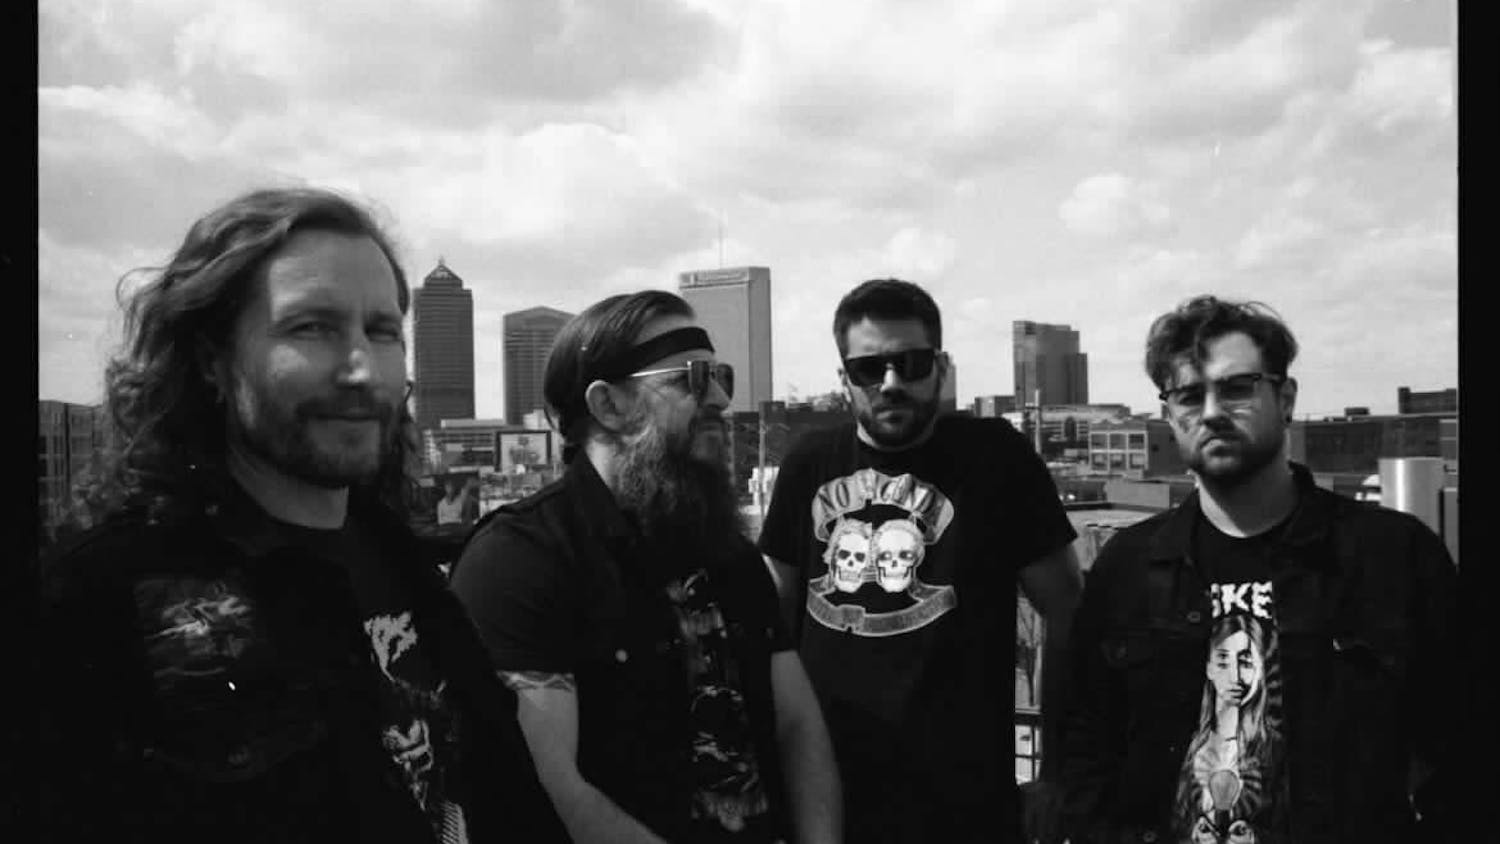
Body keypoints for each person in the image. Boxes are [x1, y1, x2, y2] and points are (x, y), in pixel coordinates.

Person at [37, 187, 537, 842]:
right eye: (312, 328)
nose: (362, 369)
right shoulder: (96, 599)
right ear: (211, 360)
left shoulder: (398, 556)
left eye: (382, 331)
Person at [1060, 295, 1457, 843]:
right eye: (1190, 395)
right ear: (1169, 415)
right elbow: (1082, 743)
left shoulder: (1392, 557)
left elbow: (1465, 745)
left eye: (1237, 387)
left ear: (1286, 398)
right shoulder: (1126, 567)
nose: (1213, 411)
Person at [450, 290, 842, 844]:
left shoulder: (726, 554)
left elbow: (796, 724)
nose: (722, 400)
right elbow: (547, 786)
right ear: (609, 405)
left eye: (721, 376)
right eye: (692, 379)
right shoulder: (519, 560)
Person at [757, 278, 1083, 843]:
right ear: (844, 379)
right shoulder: (808, 464)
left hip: (965, 809)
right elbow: (771, 623)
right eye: (868, 368)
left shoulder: (997, 458)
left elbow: (1069, 609)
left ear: (941, 366)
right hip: (827, 801)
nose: (890, 384)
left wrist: (1056, 770)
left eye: (910, 363)